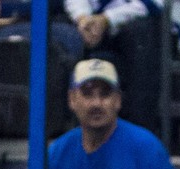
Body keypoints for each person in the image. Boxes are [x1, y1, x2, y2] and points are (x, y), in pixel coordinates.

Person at [24, 58, 179, 169]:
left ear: (118, 100)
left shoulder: (146, 147)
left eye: (105, 94)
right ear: (72, 100)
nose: (96, 103)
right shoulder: (57, 152)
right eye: (87, 94)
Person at [60, 0, 164, 135]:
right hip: (96, 24)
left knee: (140, 32)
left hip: (147, 23)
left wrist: (107, 19)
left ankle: (139, 134)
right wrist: (83, 18)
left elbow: (154, 5)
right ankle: (76, 134)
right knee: (68, 36)